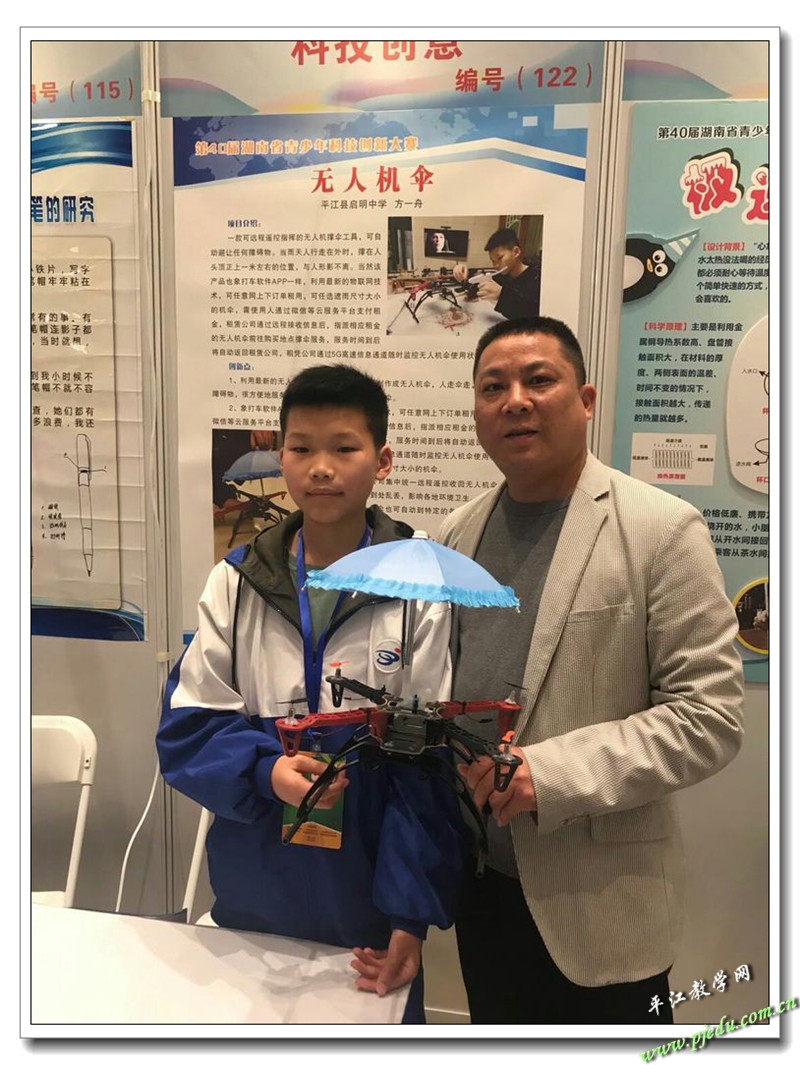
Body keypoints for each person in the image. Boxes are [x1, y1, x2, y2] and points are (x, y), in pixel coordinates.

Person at [438, 316, 744, 1024]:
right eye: (493, 387)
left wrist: (549, 774)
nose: (515, 400)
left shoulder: (661, 529)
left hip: (602, 904)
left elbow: (709, 718)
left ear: (585, 399)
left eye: (538, 379)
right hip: (483, 889)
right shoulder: (458, 533)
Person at [157, 364, 466, 1023]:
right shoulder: (236, 581)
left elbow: (426, 764)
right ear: (282, 457)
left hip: (368, 908)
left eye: (344, 447)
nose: (321, 467)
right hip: (255, 894)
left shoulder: (422, 587)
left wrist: (409, 916)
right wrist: (265, 770)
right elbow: (188, 726)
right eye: (301, 447)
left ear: (382, 460)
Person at [454, 227, 541, 320]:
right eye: (493, 261)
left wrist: (501, 295)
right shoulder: (502, 277)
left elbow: (535, 314)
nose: (496, 265)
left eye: (499, 258)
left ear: (516, 252)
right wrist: (465, 276)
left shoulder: (537, 278)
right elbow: (476, 290)